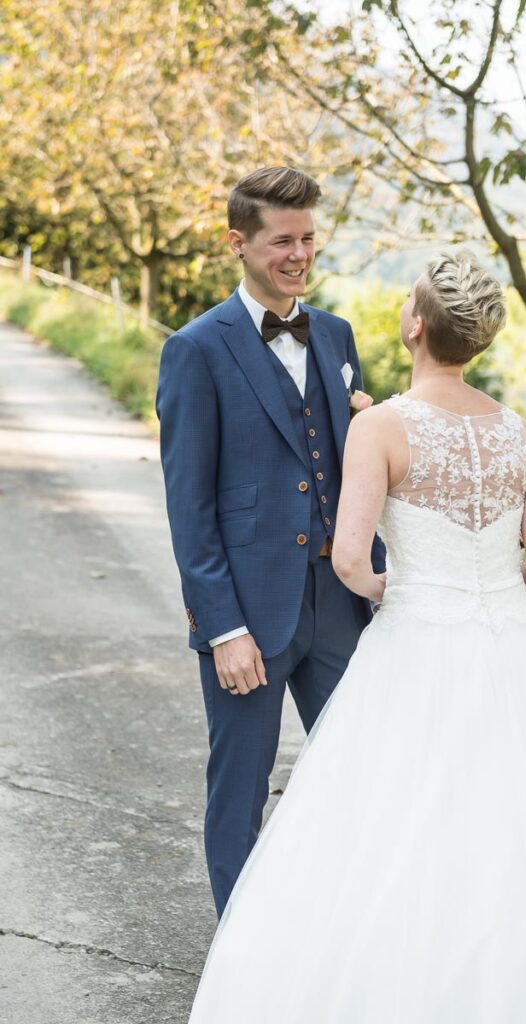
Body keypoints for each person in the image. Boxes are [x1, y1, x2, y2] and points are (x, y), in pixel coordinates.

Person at [188, 249, 526, 1022]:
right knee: (520, 823)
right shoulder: (521, 432)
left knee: (393, 818)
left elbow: (350, 559)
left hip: (416, 637)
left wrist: (406, 588)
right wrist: (484, 589)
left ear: (415, 326)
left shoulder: (381, 425)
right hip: (513, 647)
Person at [156, 166, 384, 918]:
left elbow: (356, 468)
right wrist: (222, 628)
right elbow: (190, 508)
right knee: (239, 793)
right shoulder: (196, 349)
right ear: (238, 243)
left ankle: (342, 936)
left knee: (360, 776)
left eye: (309, 237)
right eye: (282, 240)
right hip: (247, 615)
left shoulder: (338, 335)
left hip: (340, 604)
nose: (299, 254)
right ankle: (240, 967)